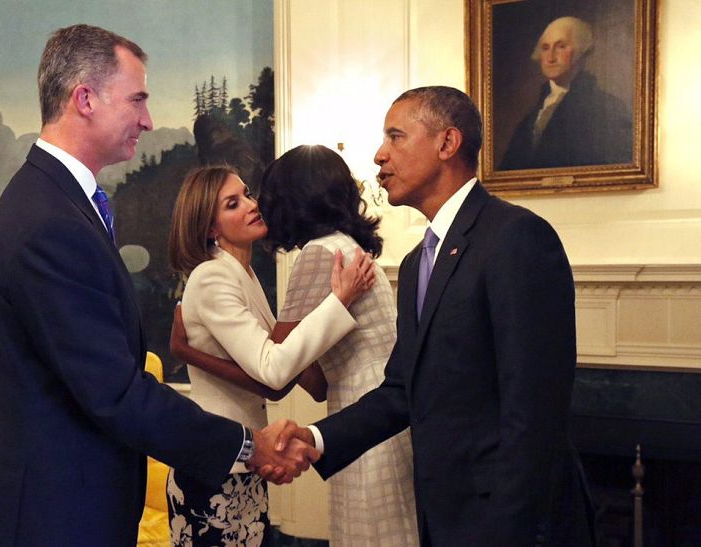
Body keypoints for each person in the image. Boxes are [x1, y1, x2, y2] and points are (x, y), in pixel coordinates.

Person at [0, 24, 316, 547]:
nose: (148, 120)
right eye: (137, 99)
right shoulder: (50, 221)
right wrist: (249, 446)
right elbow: (114, 392)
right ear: (84, 99)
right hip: (53, 517)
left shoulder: (58, 201)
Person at [271, 87, 595, 546]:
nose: (379, 155)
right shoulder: (415, 264)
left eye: (395, 137)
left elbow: (534, 412)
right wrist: (315, 438)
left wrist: (506, 531)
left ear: (447, 143)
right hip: (445, 518)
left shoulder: (517, 237)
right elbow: (402, 390)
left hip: (508, 524)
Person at [166, 165, 375, 545]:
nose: (251, 205)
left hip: (243, 458)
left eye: (247, 194)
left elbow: (283, 375)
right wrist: (339, 300)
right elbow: (273, 369)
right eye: (233, 203)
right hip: (214, 462)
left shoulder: (243, 274)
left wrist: (186, 352)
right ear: (210, 228)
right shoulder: (212, 276)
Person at [256, 144, 419, 546]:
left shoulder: (318, 253)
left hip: (361, 408)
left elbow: (281, 365)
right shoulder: (347, 244)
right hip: (382, 406)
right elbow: (315, 375)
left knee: (370, 532)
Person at [499, 16, 632, 170]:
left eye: (561, 46)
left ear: (581, 51)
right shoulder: (531, 117)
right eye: (545, 48)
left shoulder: (607, 108)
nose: (550, 57)